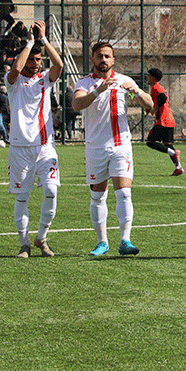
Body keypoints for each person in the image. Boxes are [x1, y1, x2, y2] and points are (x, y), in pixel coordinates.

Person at [72, 41, 154, 257]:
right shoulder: (84, 82)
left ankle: (125, 240)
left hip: (120, 145)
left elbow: (149, 104)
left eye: (107, 56)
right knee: (98, 197)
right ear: (92, 59)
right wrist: (98, 91)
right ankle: (102, 242)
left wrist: (136, 91)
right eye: (99, 56)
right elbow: (77, 105)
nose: (104, 59)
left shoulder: (124, 81)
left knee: (124, 193)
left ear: (113, 59)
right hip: (95, 147)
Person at [5, 21, 64, 258]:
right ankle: (24, 244)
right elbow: (15, 70)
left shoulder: (45, 80)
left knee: (51, 190)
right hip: (20, 148)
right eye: (32, 59)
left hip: (45, 146)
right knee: (22, 197)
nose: (35, 63)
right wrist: (29, 42)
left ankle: (41, 238)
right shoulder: (14, 82)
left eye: (38, 60)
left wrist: (45, 40)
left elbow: (58, 64)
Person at [145, 68, 183, 176]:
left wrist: (155, 108)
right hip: (170, 120)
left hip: (163, 120)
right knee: (167, 144)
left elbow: (163, 97)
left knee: (150, 142)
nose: (147, 78)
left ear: (153, 77)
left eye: (148, 76)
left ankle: (173, 153)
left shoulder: (156, 87)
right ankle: (178, 167)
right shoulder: (159, 87)